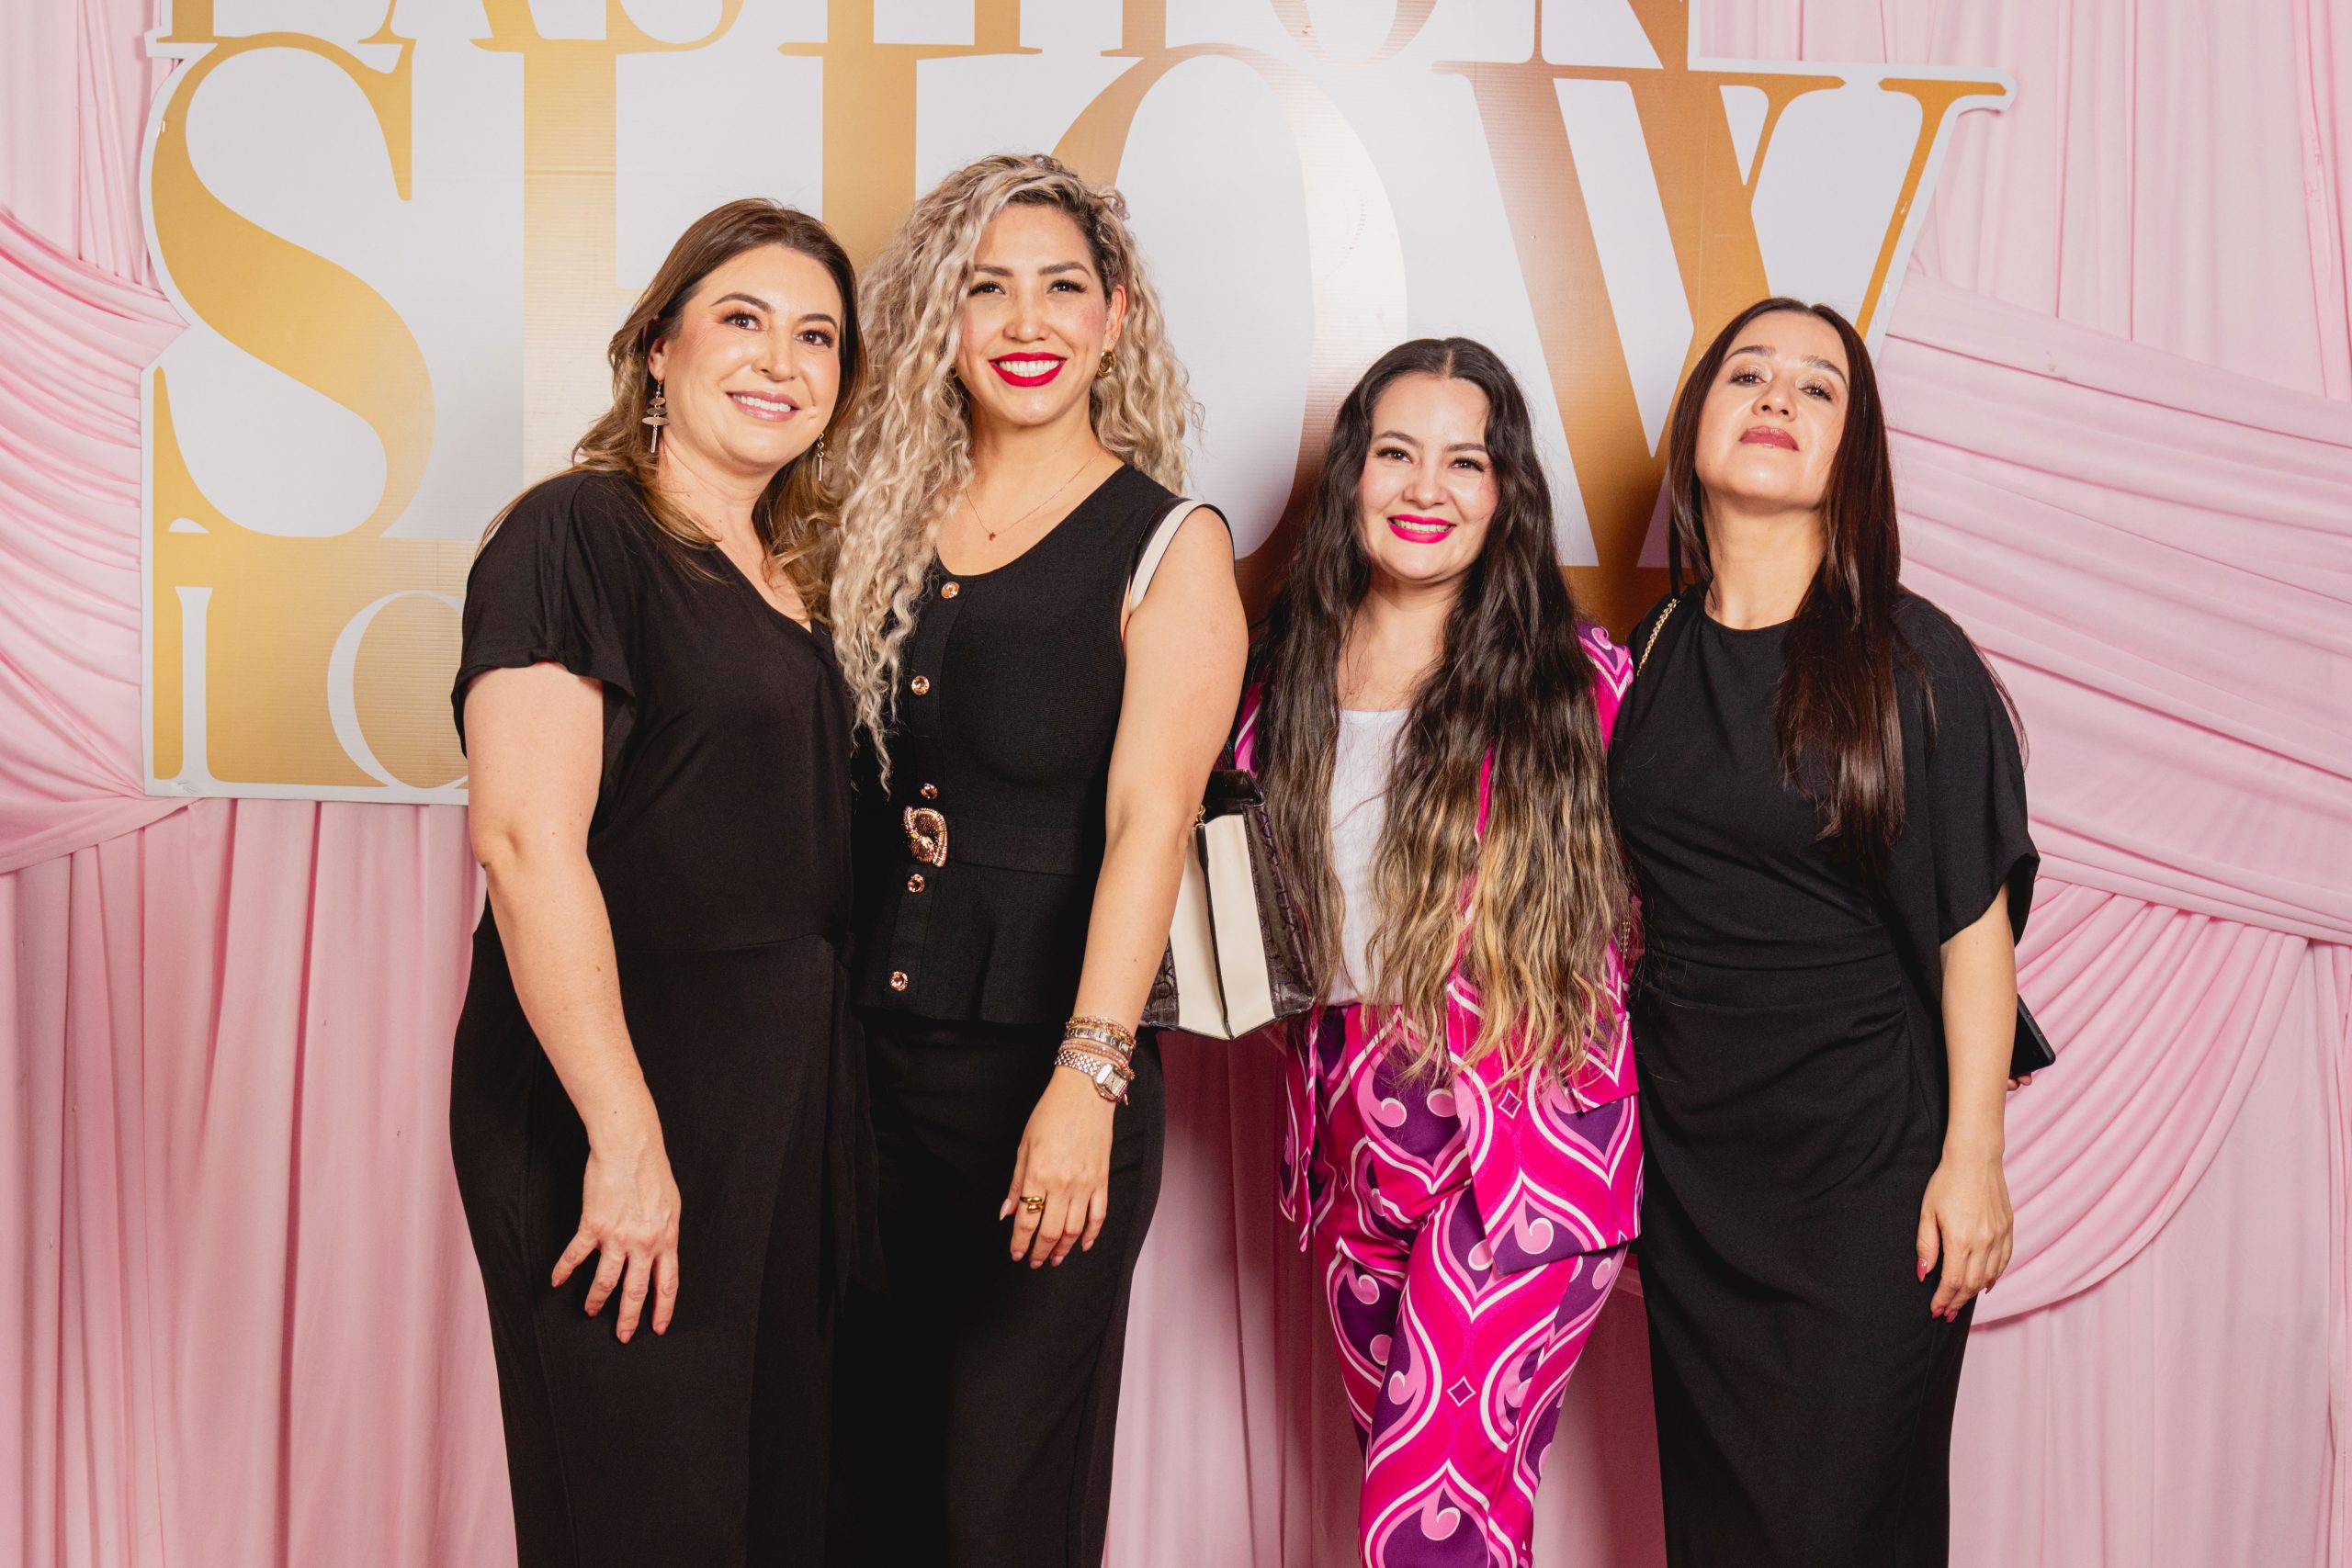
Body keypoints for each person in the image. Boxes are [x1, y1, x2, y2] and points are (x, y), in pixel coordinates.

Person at [823, 153, 1246, 1567]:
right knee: (861, 1486)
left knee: (996, 1502)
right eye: (986, 288)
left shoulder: (1166, 546)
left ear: (1115, 317)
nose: (1025, 321)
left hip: (1047, 1078)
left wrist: (1089, 1081)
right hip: (857, 1067)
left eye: (1062, 287)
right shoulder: (869, 524)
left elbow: (1150, 828)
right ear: (939, 318)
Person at [447, 198, 870, 1567]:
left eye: (817, 336)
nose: (781, 360)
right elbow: (525, 844)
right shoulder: (576, 532)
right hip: (621, 1091)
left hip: (785, 1102)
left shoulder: (797, 578)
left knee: (774, 1521)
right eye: (742, 319)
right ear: (657, 350)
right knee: (646, 1522)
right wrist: (625, 1140)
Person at [1609, 298, 2037, 1567]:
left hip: (1866, 1183)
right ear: (1697, 426)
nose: (1777, 401)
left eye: (1817, 388)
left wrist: (1975, 1161)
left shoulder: (1912, 657)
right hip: (1696, 1178)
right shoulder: (1654, 648)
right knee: (1720, 1534)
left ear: (1853, 453)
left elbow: (1972, 933)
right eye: (1749, 375)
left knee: (1837, 1530)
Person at [1248, 338, 1641, 1568]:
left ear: (1505, 491)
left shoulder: (1583, 682)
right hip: (1350, 1157)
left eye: (1465, 462)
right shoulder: (1277, 686)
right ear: (1352, 476)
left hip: (1527, 1155)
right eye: (1395, 454)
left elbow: (1702, 891)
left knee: (1429, 1530)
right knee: (1444, 1526)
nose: (1426, 488)